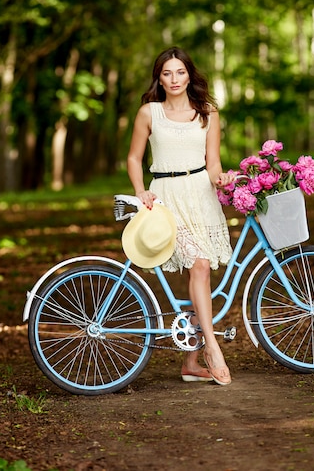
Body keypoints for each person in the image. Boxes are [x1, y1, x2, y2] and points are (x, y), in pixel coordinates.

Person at [127, 46, 235, 386]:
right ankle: (212, 349)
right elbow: (133, 158)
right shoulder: (149, 112)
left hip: (201, 195)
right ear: (159, 78)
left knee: (199, 272)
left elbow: (213, 162)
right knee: (199, 266)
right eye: (167, 73)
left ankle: (190, 362)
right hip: (167, 197)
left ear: (190, 75)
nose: (174, 79)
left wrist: (223, 179)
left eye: (180, 72)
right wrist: (140, 189)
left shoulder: (207, 113)